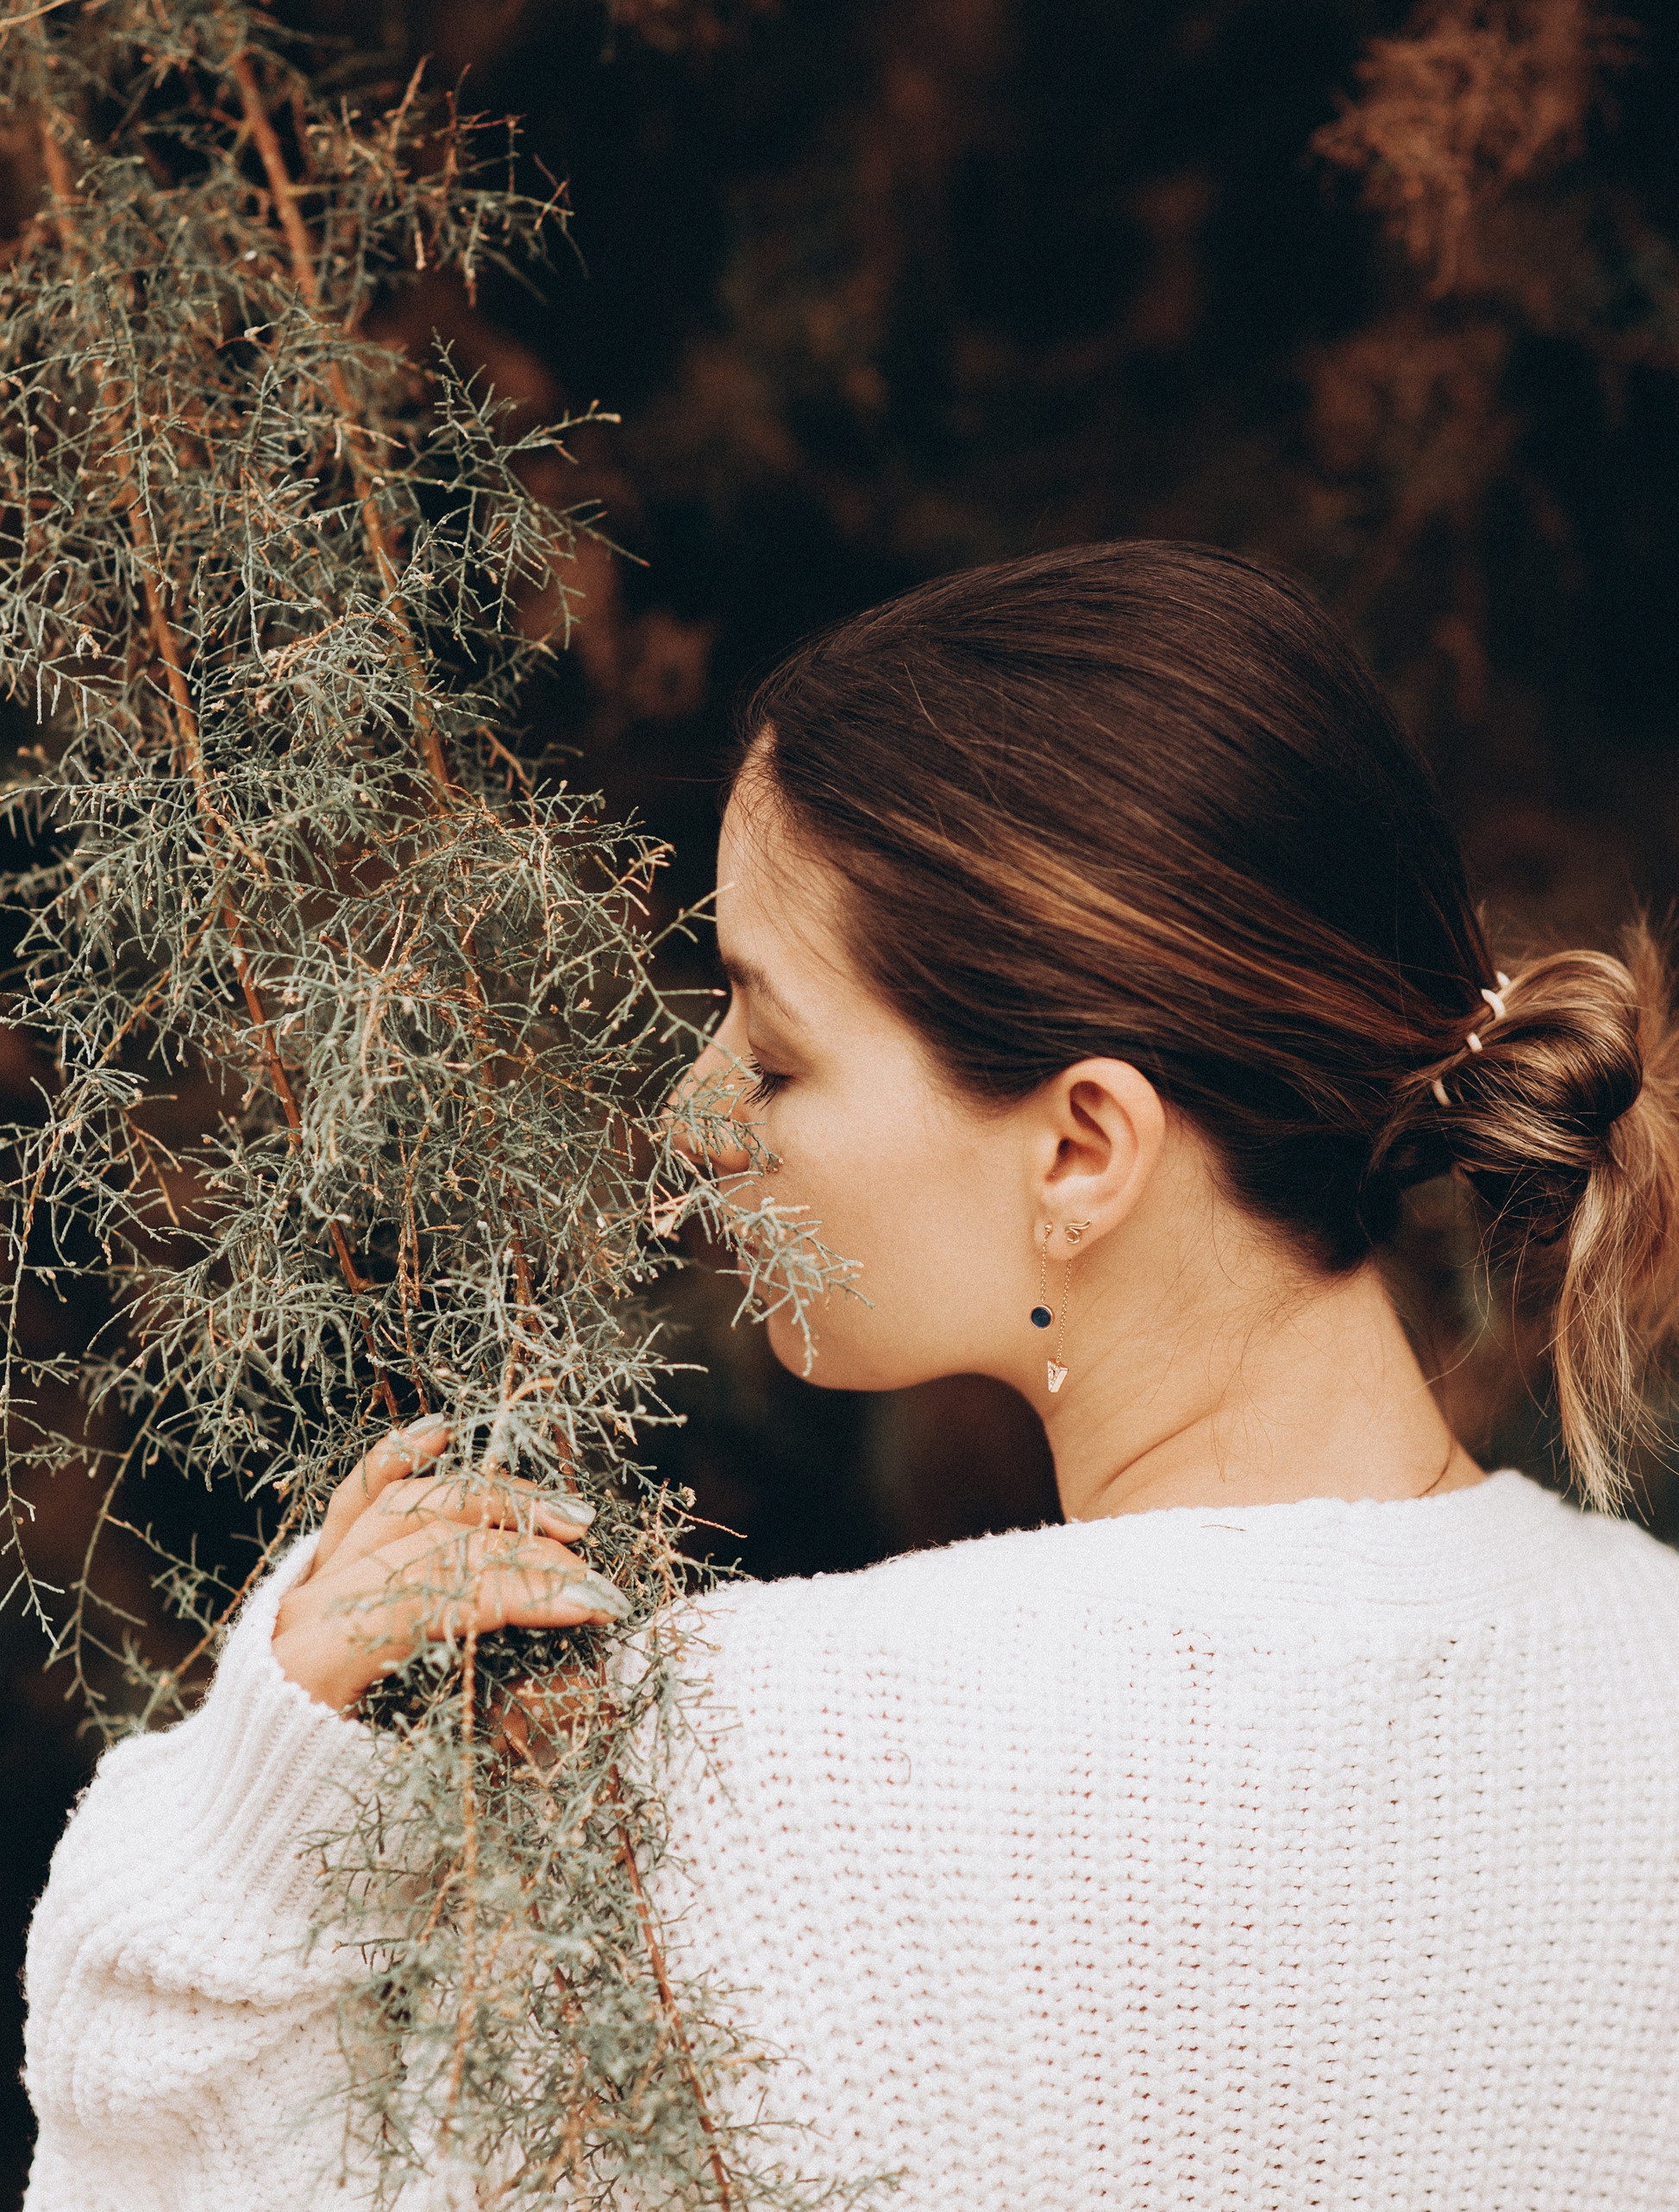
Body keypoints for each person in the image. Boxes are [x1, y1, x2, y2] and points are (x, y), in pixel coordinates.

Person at [22, 543, 1679, 2210]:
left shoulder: (746, 1778)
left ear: (1083, 1147)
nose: (692, 1116)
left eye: (771, 1050)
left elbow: (173, 2172)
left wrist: (255, 1817)